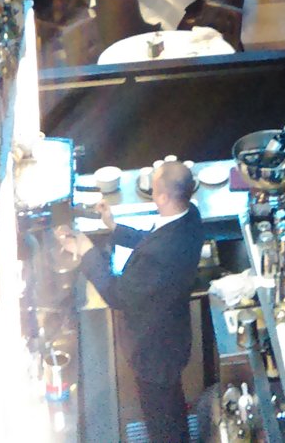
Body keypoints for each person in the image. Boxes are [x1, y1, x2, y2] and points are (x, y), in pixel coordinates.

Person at [61, 161, 204, 443]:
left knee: (161, 419)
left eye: (155, 187)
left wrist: (87, 251)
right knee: (171, 405)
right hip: (173, 336)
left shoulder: (158, 256)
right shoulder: (189, 217)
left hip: (153, 349)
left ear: (163, 197)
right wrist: (114, 227)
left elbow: (117, 294)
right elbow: (152, 239)